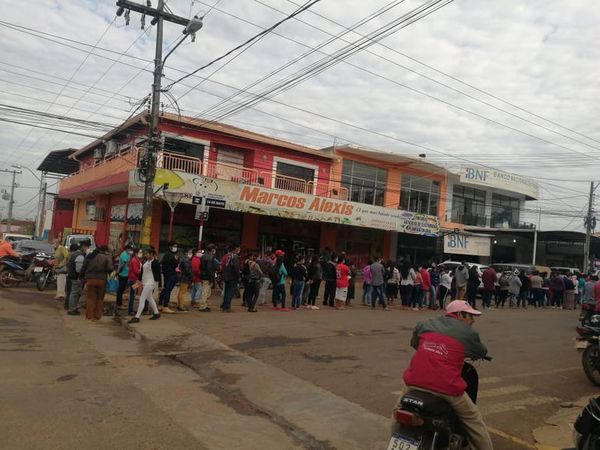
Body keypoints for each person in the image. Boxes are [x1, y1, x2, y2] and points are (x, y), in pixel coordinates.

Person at [393, 300, 492, 450]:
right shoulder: (468, 333)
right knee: (473, 419)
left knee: (397, 411)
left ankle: (394, 441)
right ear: (459, 314)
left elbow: (415, 343)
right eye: (470, 316)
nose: (472, 321)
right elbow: (480, 352)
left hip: (413, 382)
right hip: (446, 388)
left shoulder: (426, 323)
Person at [80, 245, 113, 321]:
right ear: (105, 251)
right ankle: (97, 316)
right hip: (102, 280)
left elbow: (83, 267)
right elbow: (110, 268)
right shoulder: (106, 257)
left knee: (90, 298)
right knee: (100, 299)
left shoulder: (90, 256)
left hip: (90, 279)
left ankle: (89, 316)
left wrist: (81, 277)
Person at [128, 247, 161, 323]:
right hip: (144, 282)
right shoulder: (145, 261)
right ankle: (156, 313)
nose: (145, 255)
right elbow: (142, 272)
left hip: (151, 282)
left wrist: (160, 285)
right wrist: (139, 280)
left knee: (142, 298)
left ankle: (137, 317)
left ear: (152, 254)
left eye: (147, 254)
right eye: (145, 253)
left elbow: (158, 274)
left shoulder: (156, 262)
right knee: (149, 298)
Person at [66, 241, 88, 316]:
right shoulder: (80, 256)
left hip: (71, 276)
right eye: (86, 247)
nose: (87, 249)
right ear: (83, 246)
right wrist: (81, 276)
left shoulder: (74, 254)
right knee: (74, 293)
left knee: (73, 293)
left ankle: (72, 308)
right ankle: (72, 309)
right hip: (76, 277)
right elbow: (79, 269)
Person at [158, 241, 179, 314]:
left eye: (176, 246)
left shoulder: (167, 254)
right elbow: (175, 264)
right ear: (170, 246)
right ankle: (165, 306)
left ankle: (160, 304)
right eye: (174, 246)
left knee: (165, 289)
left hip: (167, 274)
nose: (175, 248)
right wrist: (176, 259)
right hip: (170, 274)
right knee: (167, 290)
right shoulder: (170, 255)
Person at [221, 244, 241, 312]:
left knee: (226, 291)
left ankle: (224, 305)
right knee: (230, 292)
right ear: (235, 249)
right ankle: (227, 307)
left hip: (226, 276)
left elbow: (222, 265)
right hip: (233, 276)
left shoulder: (226, 256)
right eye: (238, 248)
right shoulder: (235, 257)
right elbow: (236, 268)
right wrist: (238, 276)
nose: (239, 250)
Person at [199, 244, 218, 312]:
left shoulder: (203, 256)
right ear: (212, 250)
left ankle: (205, 305)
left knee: (206, 291)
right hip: (207, 277)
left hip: (203, 276)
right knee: (205, 292)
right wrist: (211, 279)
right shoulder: (210, 257)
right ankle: (203, 306)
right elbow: (209, 269)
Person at [115, 245, 132, 311]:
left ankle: (120, 303)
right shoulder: (124, 254)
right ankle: (119, 304)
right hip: (123, 274)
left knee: (122, 290)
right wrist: (119, 271)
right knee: (120, 290)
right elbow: (123, 264)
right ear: (127, 249)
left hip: (125, 274)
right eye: (130, 250)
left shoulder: (127, 254)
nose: (130, 251)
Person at [127, 248, 143, 315]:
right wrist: (142, 271)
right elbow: (136, 271)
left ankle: (132, 309)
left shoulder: (137, 260)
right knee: (132, 295)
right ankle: (130, 310)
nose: (141, 253)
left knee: (134, 295)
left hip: (135, 280)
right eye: (140, 252)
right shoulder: (134, 260)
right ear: (136, 253)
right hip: (133, 280)